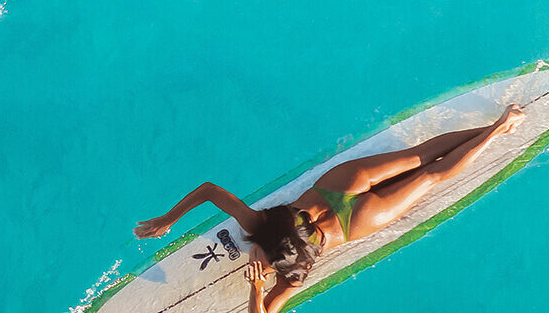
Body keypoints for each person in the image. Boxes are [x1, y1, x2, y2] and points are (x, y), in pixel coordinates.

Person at [131, 104, 527, 312]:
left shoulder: (292, 278)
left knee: (430, 178)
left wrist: (257, 290)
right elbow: (211, 190)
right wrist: (167, 219)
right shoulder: (259, 222)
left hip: (355, 223)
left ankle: (497, 131)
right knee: (420, 158)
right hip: (338, 188)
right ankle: (497, 124)